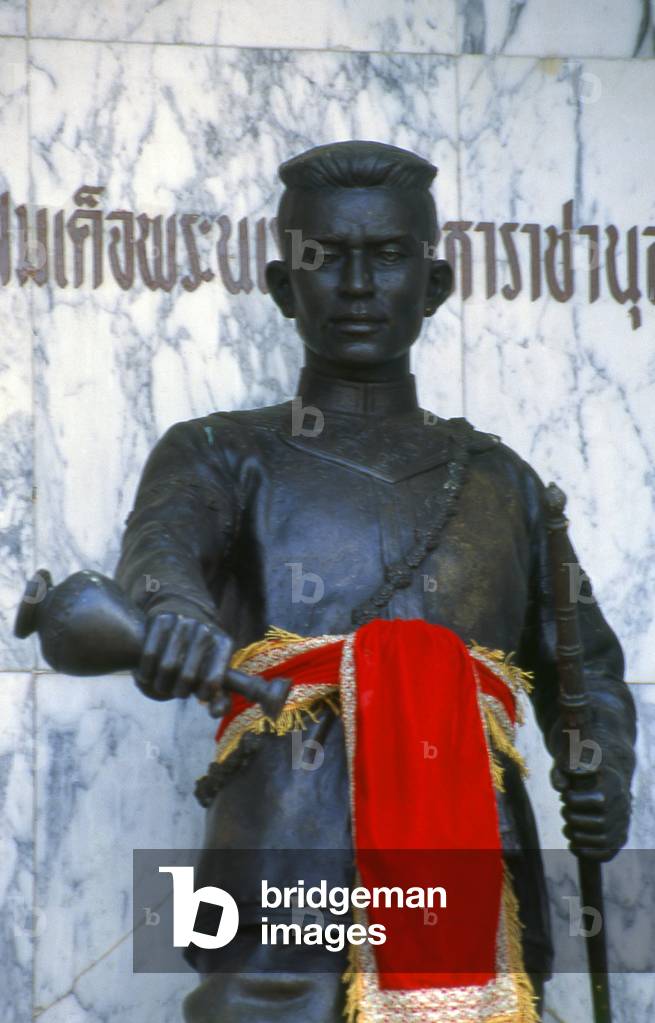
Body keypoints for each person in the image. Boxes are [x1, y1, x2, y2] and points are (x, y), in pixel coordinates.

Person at [114, 141, 636, 1022]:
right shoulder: (218, 451)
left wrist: (602, 773)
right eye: (325, 257)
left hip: (471, 868)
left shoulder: (502, 482)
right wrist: (173, 613)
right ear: (283, 288)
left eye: (387, 256)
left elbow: (584, 668)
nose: (357, 285)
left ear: (433, 285)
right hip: (280, 856)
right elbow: (161, 557)